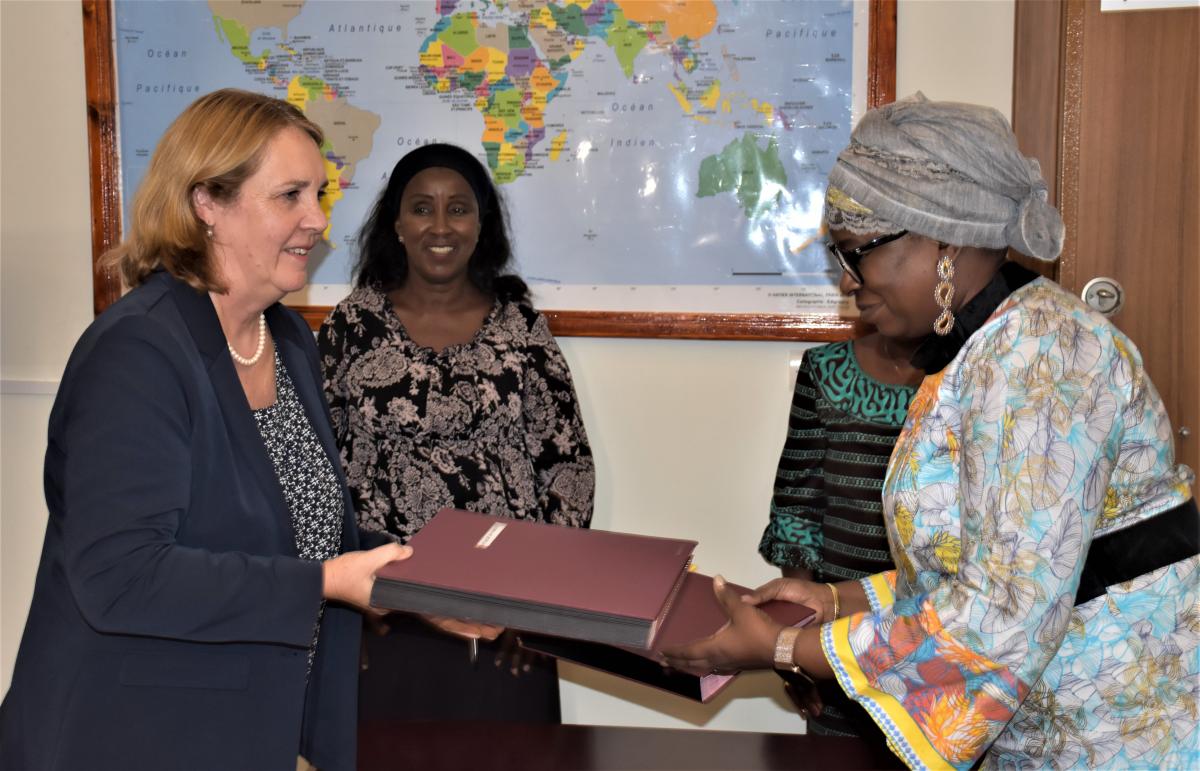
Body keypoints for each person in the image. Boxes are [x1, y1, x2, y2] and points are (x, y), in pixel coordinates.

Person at [664, 93, 1198, 770]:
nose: (849, 281)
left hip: (1122, 738)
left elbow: (1001, 611)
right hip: (1050, 733)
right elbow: (977, 562)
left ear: (942, 235)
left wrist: (782, 649)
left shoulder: (1044, 355)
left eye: (858, 253)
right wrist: (833, 598)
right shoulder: (979, 355)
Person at [0, 89, 411, 771]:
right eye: (290, 196)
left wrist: (427, 588)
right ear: (207, 205)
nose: (318, 220)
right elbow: (123, 574)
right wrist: (324, 583)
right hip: (123, 736)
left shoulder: (287, 339)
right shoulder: (139, 352)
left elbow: (303, 531)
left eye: (319, 193)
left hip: (250, 732)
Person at [318, 142, 595, 723]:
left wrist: (536, 608)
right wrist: (345, 609)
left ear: (482, 222)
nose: (440, 226)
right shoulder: (351, 327)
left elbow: (568, 468)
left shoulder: (521, 327)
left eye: (458, 209)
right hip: (381, 618)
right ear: (395, 222)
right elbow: (317, 475)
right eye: (421, 208)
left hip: (505, 623)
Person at [758, 330, 919, 745]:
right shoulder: (827, 370)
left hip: (941, 640)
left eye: (860, 262)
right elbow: (796, 507)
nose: (851, 282)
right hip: (836, 647)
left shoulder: (976, 373)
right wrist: (795, 645)